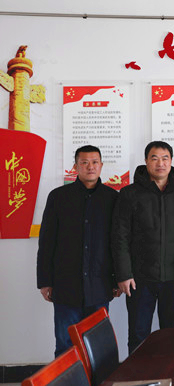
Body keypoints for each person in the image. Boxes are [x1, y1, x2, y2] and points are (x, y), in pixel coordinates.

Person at [37, 145, 119, 357]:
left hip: (100, 285)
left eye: (95, 162)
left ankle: (97, 381)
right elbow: (47, 241)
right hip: (65, 285)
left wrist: (117, 279)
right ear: (75, 167)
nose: (90, 167)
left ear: (101, 165)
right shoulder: (58, 197)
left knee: (98, 346)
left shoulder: (112, 198)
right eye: (84, 162)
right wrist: (45, 280)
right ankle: (68, 381)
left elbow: (118, 243)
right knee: (65, 345)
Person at [112, 141, 174, 354]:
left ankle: (170, 372)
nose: (160, 163)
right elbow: (120, 237)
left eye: (165, 158)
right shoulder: (129, 194)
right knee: (138, 334)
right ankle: (137, 374)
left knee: (172, 334)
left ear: (171, 161)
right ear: (146, 161)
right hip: (139, 278)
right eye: (154, 158)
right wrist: (123, 274)